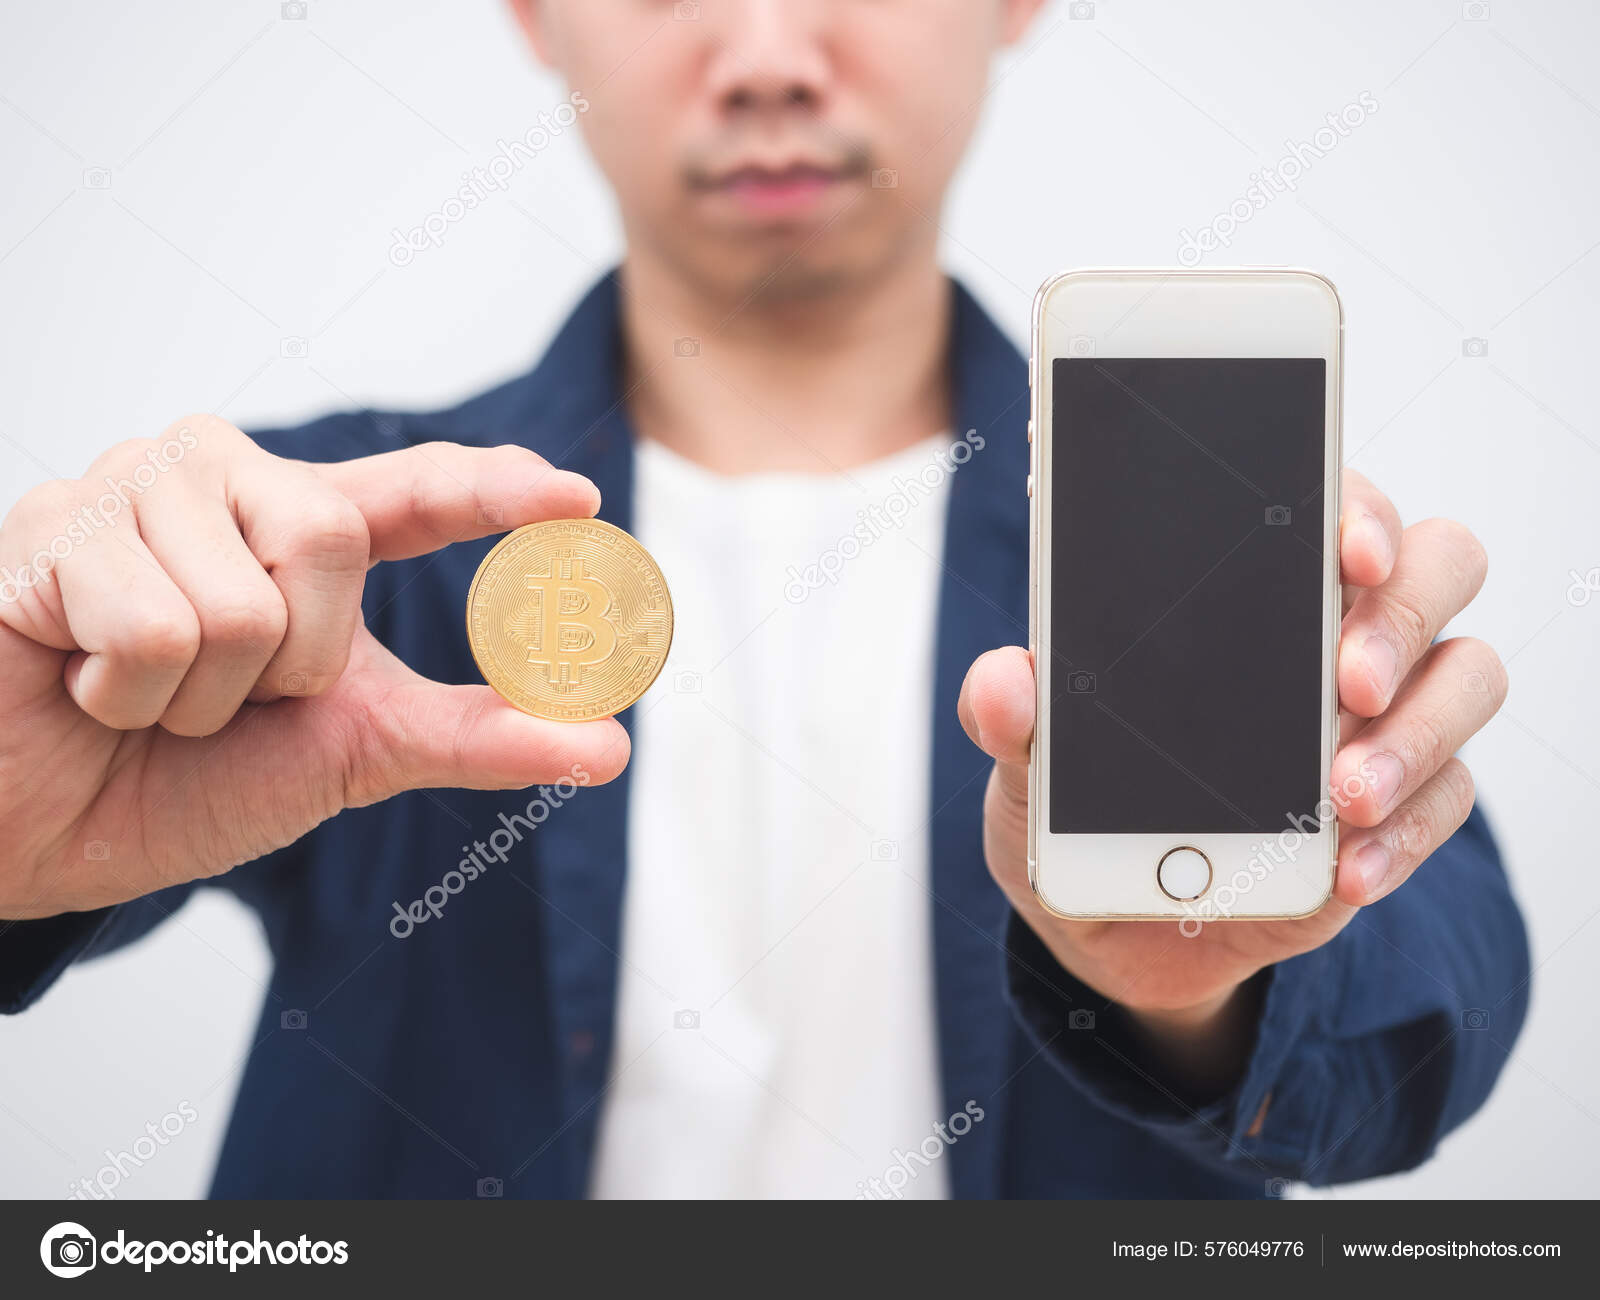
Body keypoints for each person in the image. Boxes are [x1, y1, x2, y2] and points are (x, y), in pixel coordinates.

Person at [0, 0, 1525, 1198]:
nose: (771, 56)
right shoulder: (323, 544)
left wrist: (1193, 995)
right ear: (540, 12)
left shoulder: (1205, 557)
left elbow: (1420, 1053)